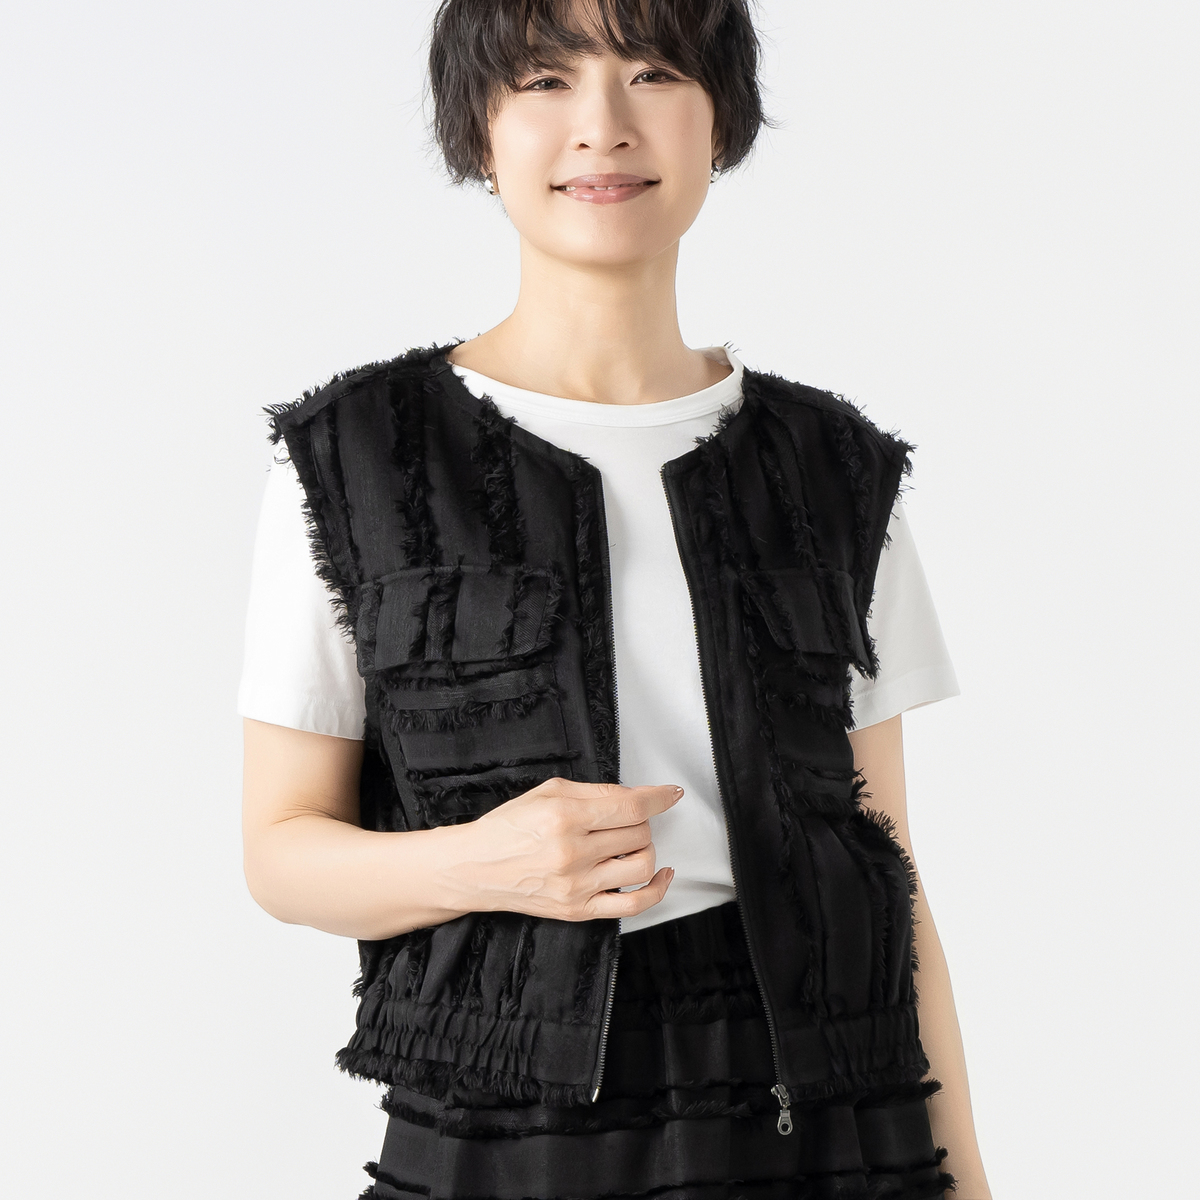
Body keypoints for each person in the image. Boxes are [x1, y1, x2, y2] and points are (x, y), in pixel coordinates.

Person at [238, 2, 991, 1197]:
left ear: (720, 119)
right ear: (480, 131)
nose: (602, 124)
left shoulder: (834, 470)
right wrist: (484, 864)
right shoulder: (359, 457)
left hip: (826, 1125)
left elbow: (888, 868)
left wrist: (969, 1179)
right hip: (506, 1136)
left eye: (653, 73)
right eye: (545, 80)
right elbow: (281, 852)